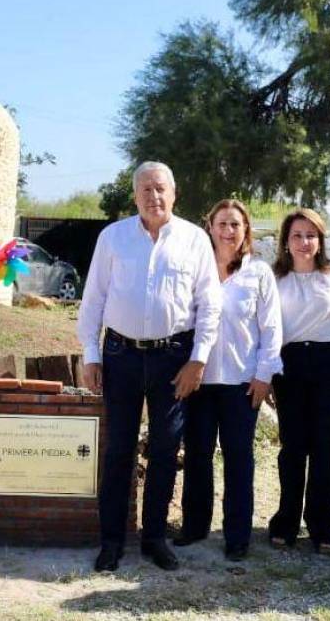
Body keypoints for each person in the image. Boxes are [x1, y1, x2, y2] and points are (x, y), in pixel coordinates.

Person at [77, 161, 221, 572]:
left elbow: (209, 305)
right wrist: (91, 354)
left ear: (174, 194)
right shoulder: (113, 237)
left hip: (174, 358)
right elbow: (94, 300)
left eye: (161, 189)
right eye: (145, 190)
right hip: (120, 356)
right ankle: (112, 541)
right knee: (118, 450)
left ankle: (154, 538)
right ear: (134, 195)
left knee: (163, 449)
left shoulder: (194, 240)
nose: (153, 197)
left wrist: (199, 359)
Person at [173, 199, 282, 562]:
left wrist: (264, 375)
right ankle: (195, 527)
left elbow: (271, 328)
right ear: (210, 227)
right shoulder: (194, 269)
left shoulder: (259, 273)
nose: (228, 231)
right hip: (199, 382)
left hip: (241, 384)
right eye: (222, 224)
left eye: (235, 225)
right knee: (198, 456)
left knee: (238, 459)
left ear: (245, 230)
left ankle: (237, 536)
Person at [269, 208, 330, 552]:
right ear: (286, 241)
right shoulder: (274, 279)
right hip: (290, 365)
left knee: (326, 446)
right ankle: (287, 520)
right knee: (293, 447)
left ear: (320, 240)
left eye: (311, 235)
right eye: (297, 235)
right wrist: (267, 371)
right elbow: (267, 329)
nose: (304, 242)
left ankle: (323, 524)